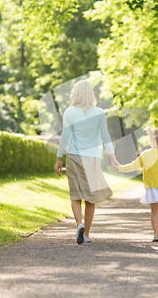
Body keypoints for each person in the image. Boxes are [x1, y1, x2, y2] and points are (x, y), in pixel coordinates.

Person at [55, 80, 120, 244]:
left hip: (74, 156)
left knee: (75, 195)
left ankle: (79, 225)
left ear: (74, 94)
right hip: (93, 158)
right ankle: (86, 234)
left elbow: (65, 137)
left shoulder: (69, 112)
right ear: (91, 94)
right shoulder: (99, 112)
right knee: (91, 198)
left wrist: (58, 158)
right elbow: (105, 136)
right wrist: (113, 158)